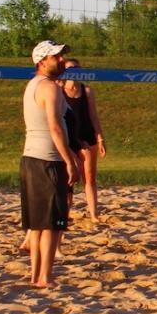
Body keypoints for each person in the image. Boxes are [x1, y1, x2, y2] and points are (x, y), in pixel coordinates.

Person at [20, 40, 80, 288]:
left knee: (37, 225)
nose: (62, 60)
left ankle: (36, 276)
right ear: (42, 61)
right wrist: (69, 160)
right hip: (48, 160)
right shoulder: (49, 87)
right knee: (52, 225)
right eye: (56, 57)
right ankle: (45, 277)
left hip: (31, 159)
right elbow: (55, 127)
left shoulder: (33, 85)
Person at [61, 57, 106, 221]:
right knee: (68, 180)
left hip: (87, 136)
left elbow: (93, 116)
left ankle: (93, 214)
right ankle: (64, 215)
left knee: (90, 177)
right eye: (70, 68)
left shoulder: (86, 91)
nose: (73, 71)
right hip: (68, 139)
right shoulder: (59, 91)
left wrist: (100, 138)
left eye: (76, 68)